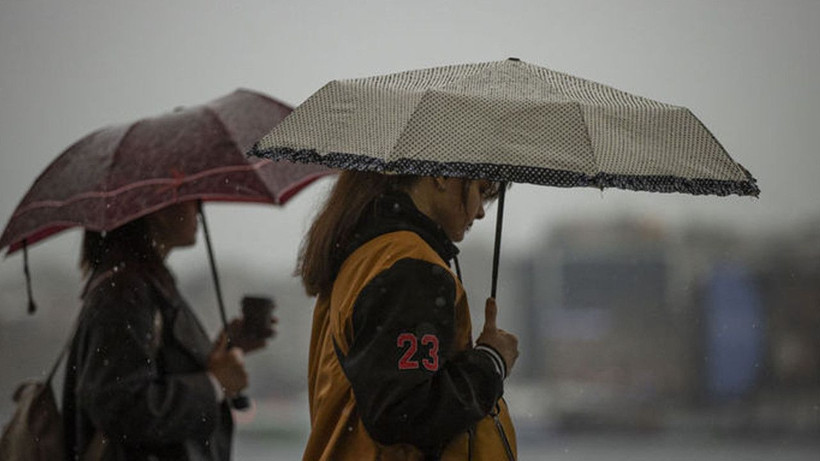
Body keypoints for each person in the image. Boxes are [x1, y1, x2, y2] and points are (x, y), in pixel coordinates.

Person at [300, 171, 520, 460]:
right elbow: (403, 412)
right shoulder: (410, 266)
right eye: (480, 189)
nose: (479, 212)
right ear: (442, 175)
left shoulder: (367, 256)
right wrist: (491, 362)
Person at [62, 201, 273, 460]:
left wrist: (223, 352)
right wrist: (215, 384)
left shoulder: (143, 282)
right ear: (160, 210)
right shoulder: (125, 291)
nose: (199, 209)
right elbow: (121, 407)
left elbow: (155, 370)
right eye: (192, 200)